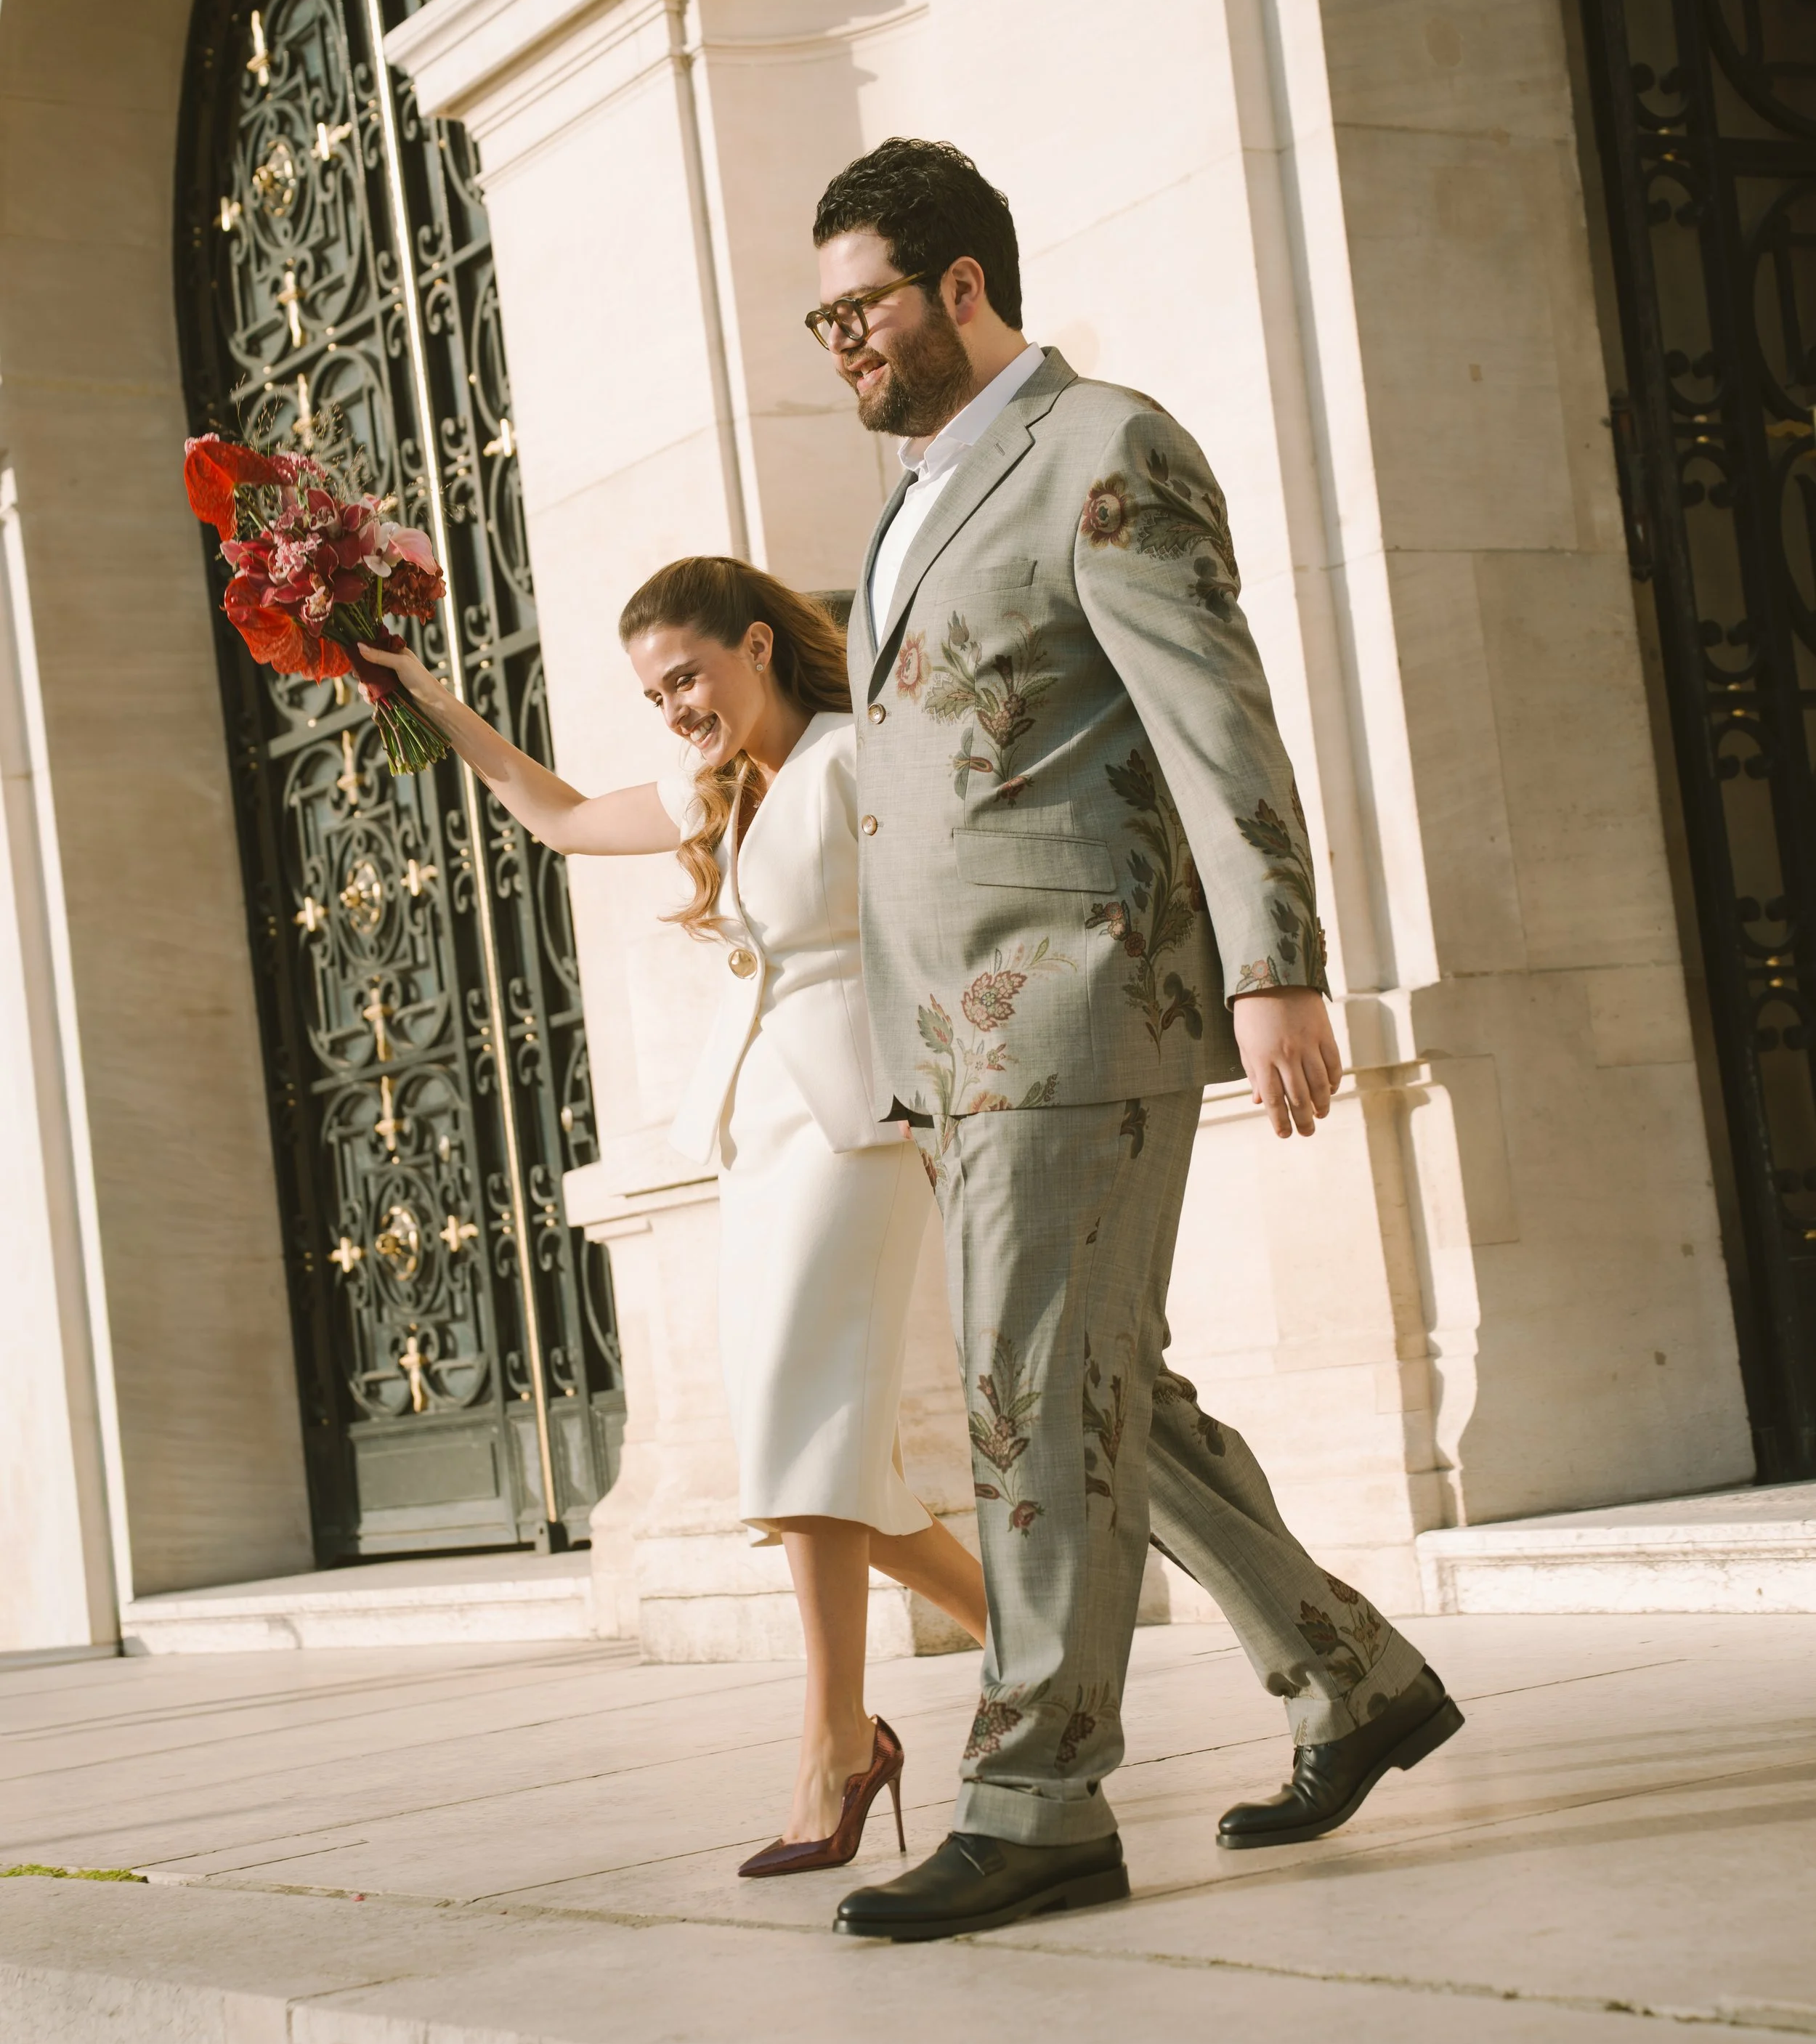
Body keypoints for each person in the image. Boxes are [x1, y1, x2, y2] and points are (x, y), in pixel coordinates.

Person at [805, 137, 1465, 1945]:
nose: (838, 342)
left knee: (1033, 1396)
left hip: (1077, 996)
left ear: (960, 285)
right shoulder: (915, 494)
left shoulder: (1101, 446)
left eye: (859, 306)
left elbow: (1210, 720)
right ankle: (1351, 1678)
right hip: (956, 1038)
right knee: (1101, 1387)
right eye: (821, 319)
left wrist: (1276, 967)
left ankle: (1036, 1803)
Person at [362, 561, 992, 1873]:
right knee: (813, 1456)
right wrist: (427, 697)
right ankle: (1035, 1650)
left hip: (860, 1124)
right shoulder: (721, 789)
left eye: (687, 677)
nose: (675, 709)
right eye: (654, 694)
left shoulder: (856, 754)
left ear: (758, 645)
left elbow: (955, 913)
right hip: (758, 1132)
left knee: (805, 1439)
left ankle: (835, 1740)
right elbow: (558, 815)